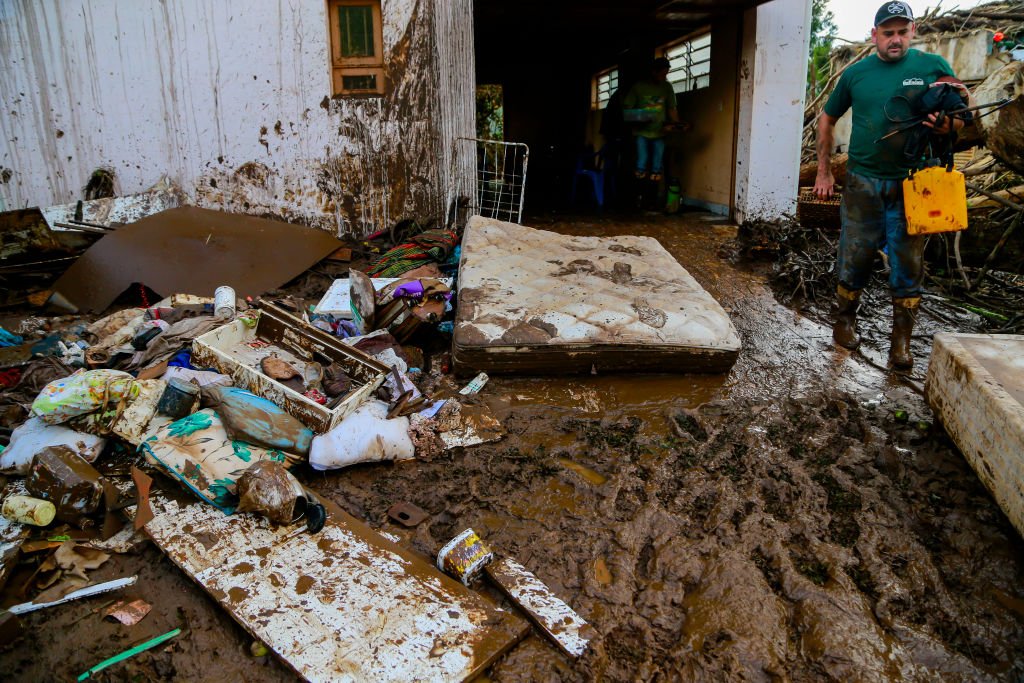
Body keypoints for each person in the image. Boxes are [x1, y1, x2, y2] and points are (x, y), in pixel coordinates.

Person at [814, 1, 969, 369]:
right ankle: (844, 322)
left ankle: (900, 344)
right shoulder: (856, 74)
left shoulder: (933, 67)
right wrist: (823, 171)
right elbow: (826, 119)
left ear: (913, 31)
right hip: (863, 181)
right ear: (875, 36)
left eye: (902, 32)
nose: (895, 40)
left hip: (914, 185)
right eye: (888, 33)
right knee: (854, 255)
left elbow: (963, 117)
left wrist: (950, 126)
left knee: (908, 262)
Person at [623, 57, 679, 183]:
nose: (664, 77)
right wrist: (642, 117)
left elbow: (672, 108)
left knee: (656, 169)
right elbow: (627, 110)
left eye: (666, 74)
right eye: (662, 74)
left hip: (659, 133)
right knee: (641, 164)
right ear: (654, 72)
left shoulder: (667, 87)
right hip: (641, 133)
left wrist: (677, 125)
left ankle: (652, 196)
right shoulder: (638, 87)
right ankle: (638, 193)